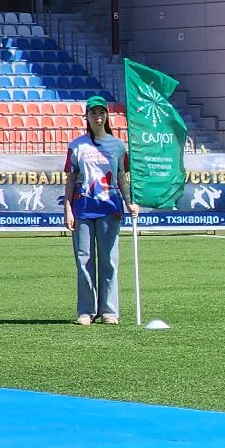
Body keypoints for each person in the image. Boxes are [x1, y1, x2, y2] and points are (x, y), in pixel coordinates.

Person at [61, 96, 138, 325]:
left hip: (109, 208)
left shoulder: (118, 145)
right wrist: (67, 209)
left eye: (101, 112)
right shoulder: (77, 145)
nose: (98, 117)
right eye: (93, 113)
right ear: (86, 116)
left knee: (109, 260)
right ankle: (86, 311)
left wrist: (130, 202)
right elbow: (71, 179)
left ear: (107, 116)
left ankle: (109, 311)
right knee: (84, 260)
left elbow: (122, 177)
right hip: (82, 208)